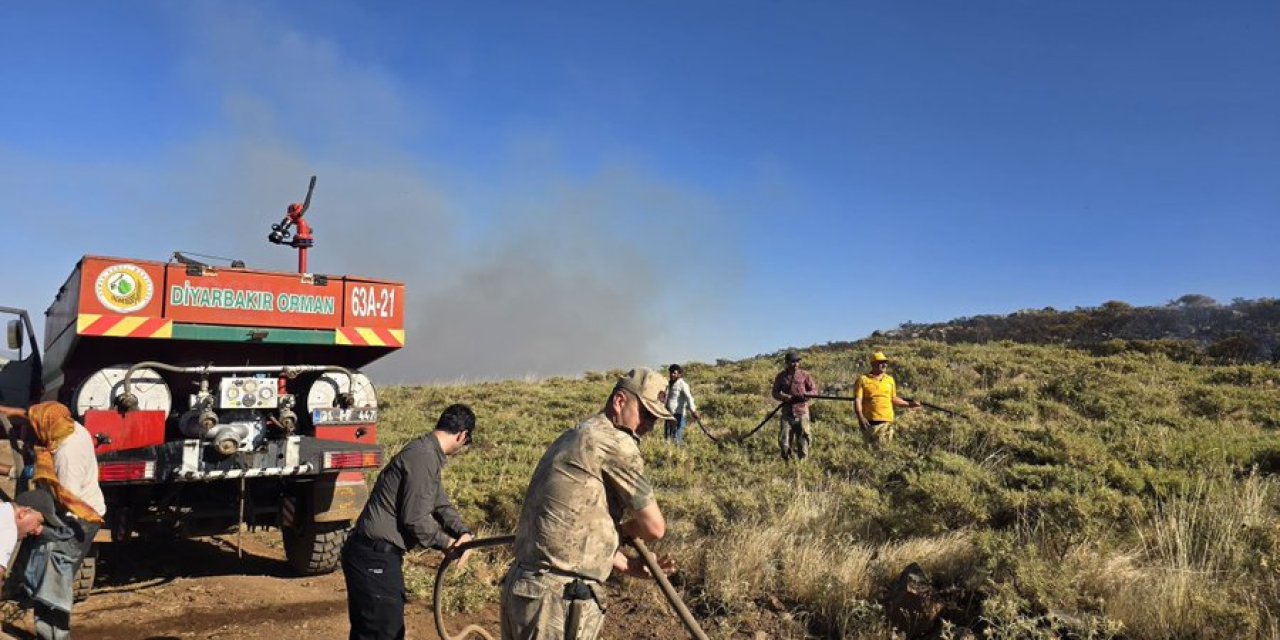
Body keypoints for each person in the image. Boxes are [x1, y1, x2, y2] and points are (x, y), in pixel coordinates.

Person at [501, 367, 676, 640]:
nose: (649, 426)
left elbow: (577, 531)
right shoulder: (614, 442)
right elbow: (654, 528)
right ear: (620, 402)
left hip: (527, 589)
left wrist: (629, 566)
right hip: (557, 597)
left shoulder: (574, 435)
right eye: (646, 414)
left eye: (655, 420)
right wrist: (628, 529)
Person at [341, 403, 477, 640]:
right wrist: (447, 543)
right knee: (383, 633)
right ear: (462, 435)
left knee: (378, 632)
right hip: (373, 557)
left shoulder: (427, 455)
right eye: (466, 442)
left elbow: (439, 503)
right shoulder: (423, 457)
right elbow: (415, 519)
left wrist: (463, 532)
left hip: (377, 556)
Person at [7, 401, 106, 640]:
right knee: (45, 575)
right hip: (87, 511)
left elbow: (64, 500)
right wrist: (7, 412)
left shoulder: (66, 456)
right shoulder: (71, 426)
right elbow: (34, 414)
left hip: (73, 522)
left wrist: (40, 524)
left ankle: (54, 636)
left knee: (51, 585)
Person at [854, 351, 922, 446]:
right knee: (870, 450)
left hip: (886, 422)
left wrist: (910, 404)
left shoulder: (890, 380)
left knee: (884, 449)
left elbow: (893, 399)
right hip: (869, 422)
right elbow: (858, 400)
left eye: (885, 362)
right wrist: (860, 417)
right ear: (873, 364)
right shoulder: (863, 379)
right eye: (880, 362)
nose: (884, 364)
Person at [771, 351, 819, 461]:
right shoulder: (781, 376)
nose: (796, 364)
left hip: (801, 411)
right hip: (787, 412)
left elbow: (814, 390)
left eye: (797, 361)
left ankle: (802, 462)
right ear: (787, 362)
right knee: (784, 439)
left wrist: (806, 395)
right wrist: (783, 397)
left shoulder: (805, 375)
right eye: (793, 361)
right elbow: (775, 392)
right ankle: (787, 460)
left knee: (803, 437)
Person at [0, 492, 49, 578]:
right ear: (23, 513)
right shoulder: (9, 528)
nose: (38, 531)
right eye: (38, 522)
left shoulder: (3, 509)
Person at [663, 364, 700, 446]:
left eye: (674, 373)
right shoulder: (669, 384)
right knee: (667, 437)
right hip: (668, 414)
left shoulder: (683, 384)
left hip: (678, 414)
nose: (672, 374)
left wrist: (693, 411)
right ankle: (668, 454)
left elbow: (689, 398)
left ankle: (677, 454)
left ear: (679, 374)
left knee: (677, 437)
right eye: (671, 372)